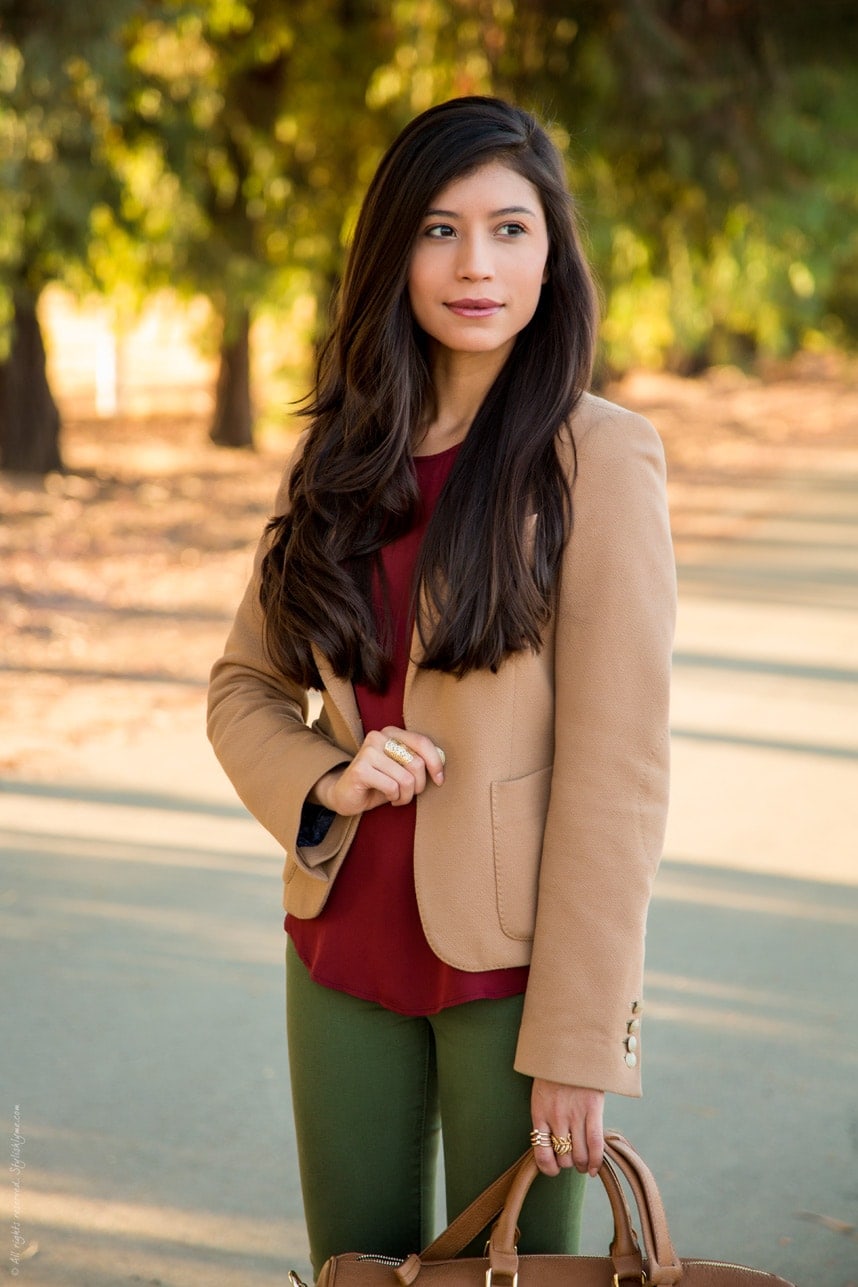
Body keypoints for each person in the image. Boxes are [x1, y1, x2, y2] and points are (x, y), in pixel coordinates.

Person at [207, 95, 675, 1276]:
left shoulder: (600, 456)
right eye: (439, 229)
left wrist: (581, 1037)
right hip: (339, 945)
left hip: (513, 977)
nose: (477, 264)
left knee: (511, 1277)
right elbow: (243, 686)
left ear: (552, 254)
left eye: (511, 229)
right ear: (392, 254)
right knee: (352, 1270)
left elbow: (618, 772)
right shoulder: (338, 451)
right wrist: (332, 777)